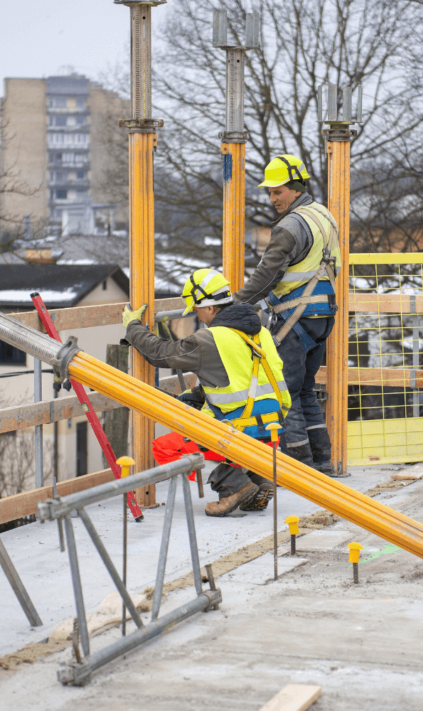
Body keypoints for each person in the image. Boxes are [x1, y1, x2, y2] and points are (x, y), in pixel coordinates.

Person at [122, 268, 291, 516]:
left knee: (164, 448)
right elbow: (247, 378)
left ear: (210, 307)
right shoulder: (261, 332)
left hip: (238, 430)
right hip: (272, 432)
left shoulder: (209, 339)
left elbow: (160, 353)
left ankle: (234, 486)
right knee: (226, 430)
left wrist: (133, 327)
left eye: (197, 310)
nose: (198, 317)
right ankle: (257, 478)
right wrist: (202, 395)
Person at [232, 154, 344, 476]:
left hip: (296, 318)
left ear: (295, 188)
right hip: (322, 318)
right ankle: (322, 462)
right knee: (305, 390)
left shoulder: (290, 226)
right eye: (269, 192)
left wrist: (234, 305)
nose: (272, 198)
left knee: (285, 393)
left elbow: (267, 276)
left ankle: (299, 470)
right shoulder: (323, 216)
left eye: (277, 191)